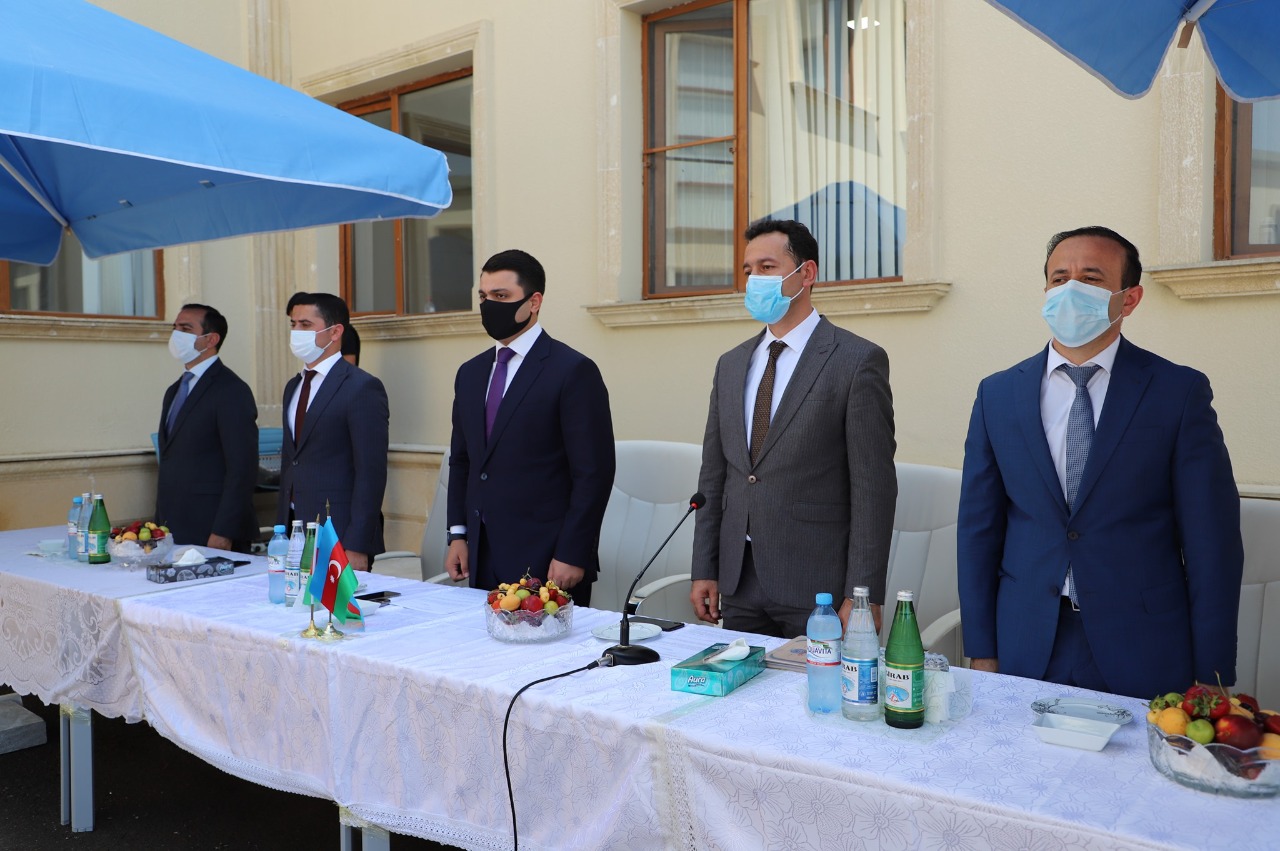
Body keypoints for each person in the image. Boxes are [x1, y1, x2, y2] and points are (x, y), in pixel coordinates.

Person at [957, 226, 1243, 699]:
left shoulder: (1177, 392)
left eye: (1090, 278)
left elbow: (1212, 541)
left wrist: (1211, 671)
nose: (1070, 290)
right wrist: (982, 648)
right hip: (1026, 641)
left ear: (1129, 299)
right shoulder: (998, 394)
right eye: (1058, 278)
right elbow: (978, 531)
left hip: (1144, 646)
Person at [690, 219, 897, 638]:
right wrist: (704, 568)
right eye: (748, 271)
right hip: (738, 581)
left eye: (767, 267)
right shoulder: (731, 364)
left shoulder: (856, 360)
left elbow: (873, 488)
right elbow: (714, 475)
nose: (755, 280)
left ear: (807, 273)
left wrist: (863, 594)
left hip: (817, 585)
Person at [444, 249, 615, 605]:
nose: (489, 306)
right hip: (481, 553)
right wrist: (458, 534)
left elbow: (593, 473)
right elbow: (463, 460)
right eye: (483, 296)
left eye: (501, 296)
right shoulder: (470, 373)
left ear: (534, 302)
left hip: (549, 561)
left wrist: (573, 552)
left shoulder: (572, 371)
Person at [276, 293, 389, 570]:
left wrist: (357, 545)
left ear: (335, 332)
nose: (296, 332)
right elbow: (292, 459)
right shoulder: (293, 387)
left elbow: (371, 473)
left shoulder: (361, 387)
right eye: (293, 324)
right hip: (294, 531)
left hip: (338, 533)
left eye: (305, 325)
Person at [156, 304, 259, 551]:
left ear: (211, 339)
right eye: (175, 328)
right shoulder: (174, 391)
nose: (176, 335)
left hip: (212, 527)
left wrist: (224, 531)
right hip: (172, 526)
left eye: (185, 329)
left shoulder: (231, 390)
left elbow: (242, 468)